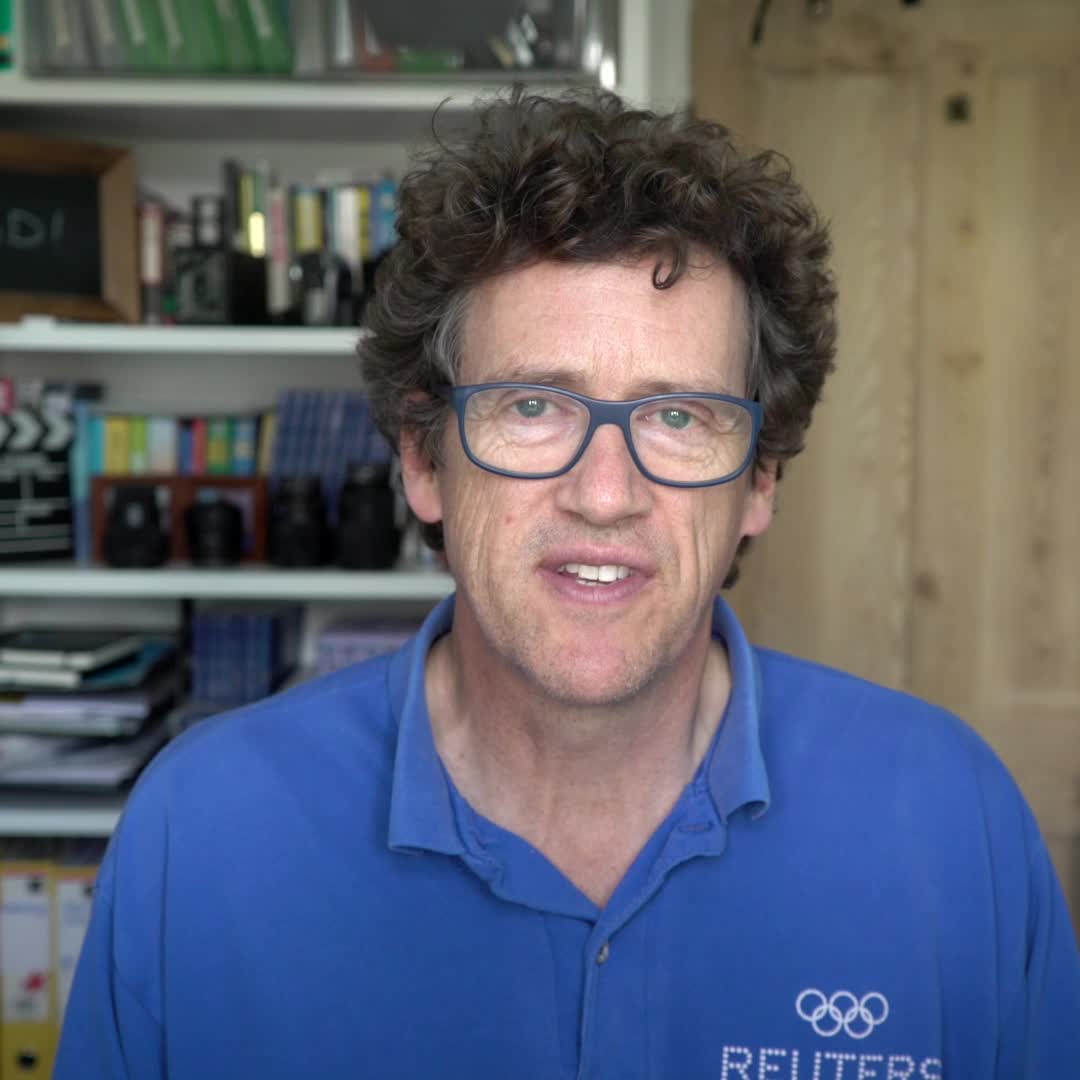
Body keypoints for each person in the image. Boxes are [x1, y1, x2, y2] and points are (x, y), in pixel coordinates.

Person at [58, 89, 1080, 1079]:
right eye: (534, 406)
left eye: (677, 417)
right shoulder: (202, 833)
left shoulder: (952, 823)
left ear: (760, 480)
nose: (604, 494)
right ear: (422, 459)